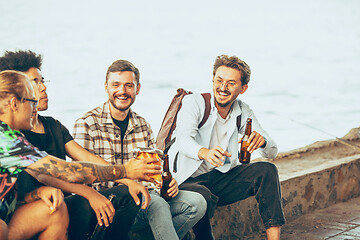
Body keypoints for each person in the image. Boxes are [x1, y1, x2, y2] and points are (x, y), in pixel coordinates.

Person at [0, 50, 161, 240]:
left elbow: (42, 173)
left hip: (27, 207)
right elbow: (69, 172)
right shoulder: (7, 141)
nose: (36, 101)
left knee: (55, 210)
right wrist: (124, 171)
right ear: (13, 103)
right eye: (30, 99)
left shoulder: (17, 138)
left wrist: (35, 194)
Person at [73, 59, 206, 240]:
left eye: (129, 85)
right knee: (158, 205)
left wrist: (166, 184)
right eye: (116, 85)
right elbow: (79, 176)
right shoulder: (87, 123)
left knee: (197, 202)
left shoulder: (143, 125)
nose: (122, 91)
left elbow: (152, 177)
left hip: (142, 202)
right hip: (108, 204)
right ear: (106, 87)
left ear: (138, 88)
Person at [168, 55, 286, 240]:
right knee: (203, 195)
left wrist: (262, 141)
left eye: (231, 83)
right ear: (213, 80)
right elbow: (183, 140)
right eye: (219, 80)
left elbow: (272, 152)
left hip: (219, 178)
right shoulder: (195, 102)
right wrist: (205, 153)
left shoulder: (242, 110)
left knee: (267, 170)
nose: (223, 88)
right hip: (185, 180)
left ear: (243, 88)